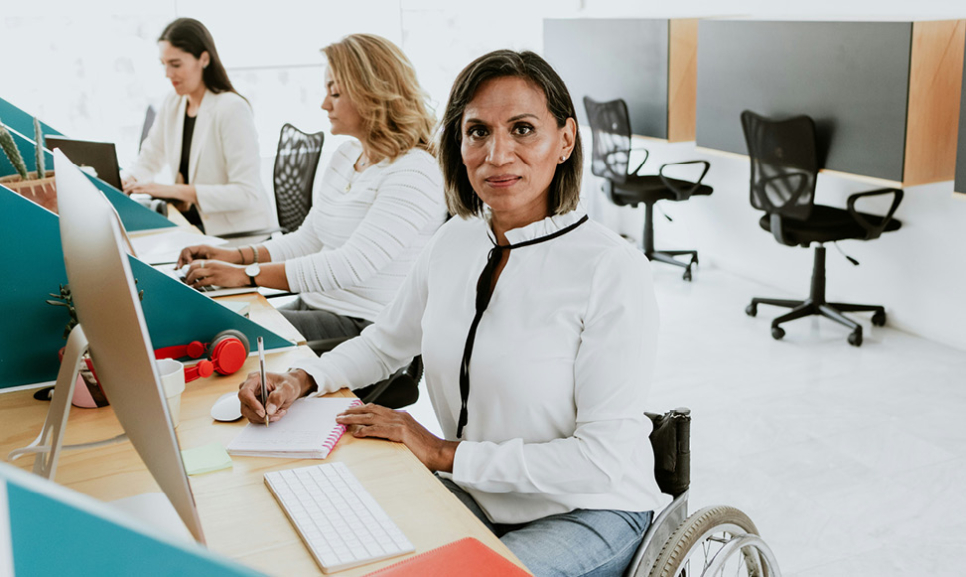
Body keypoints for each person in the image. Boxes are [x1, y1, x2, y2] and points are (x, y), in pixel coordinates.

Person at [237, 50, 668, 577]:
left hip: (586, 509)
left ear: (566, 141)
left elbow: (598, 458)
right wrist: (304, 378)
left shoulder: (611, 268)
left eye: (523, 129)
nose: (497, 153)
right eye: (478, 131)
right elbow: (384, 343)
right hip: (477, 493)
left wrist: (444, 453)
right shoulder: (455, 241)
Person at [177, 34, 445, 342]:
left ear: (372, 94)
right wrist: (233, 256)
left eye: (335, 92)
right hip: (316, 304)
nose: (323, 103)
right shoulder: (347, 155)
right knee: (211, 318)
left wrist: (247, 274)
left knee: (217, 332)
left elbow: (351, 265)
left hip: (364, 328)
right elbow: (309, 238)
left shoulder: (414, 171)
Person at [122, 18, 272, 236]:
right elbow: (149, 158)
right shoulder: (173, 102)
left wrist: (172, 191)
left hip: (237, 232)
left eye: (175, 64)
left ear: (204, 59)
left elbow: (245, 192)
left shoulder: (232, 109)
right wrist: (129, 180)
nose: (167, 74)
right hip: (194, 222)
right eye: (163, 64)